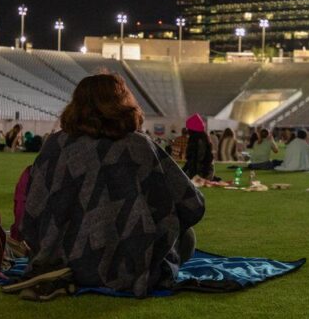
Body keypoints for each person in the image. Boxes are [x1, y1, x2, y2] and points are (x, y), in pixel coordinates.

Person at [19, 74, 205, 298]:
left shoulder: (55, 145)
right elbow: (192, 205)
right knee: (187, 237)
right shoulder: (139, 146)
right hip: (130, 266)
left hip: (62, 261)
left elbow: (32, 212)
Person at [183, 114, 214, 180]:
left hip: (202, 173)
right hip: (205, 172)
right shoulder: (203, 138)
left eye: (188, 128)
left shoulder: (197, 140)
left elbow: (197, 159)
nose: (187, 130)